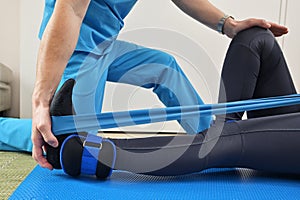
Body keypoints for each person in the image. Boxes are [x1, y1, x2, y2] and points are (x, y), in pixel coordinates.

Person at [21, 0, 291, 171]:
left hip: (106, 45)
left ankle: (214, 138)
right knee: (66, 146)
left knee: (164, 67)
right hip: (75, 49)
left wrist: (229, 25)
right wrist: (40, 100)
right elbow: (69, 9)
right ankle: (3, 128)